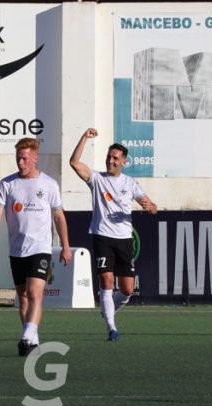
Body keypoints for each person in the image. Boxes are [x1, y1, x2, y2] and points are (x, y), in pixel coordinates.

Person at [69, 128, 158, 341]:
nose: (111, 161)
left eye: (115, 158)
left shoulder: (131, 183)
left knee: (127, 290)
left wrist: (150, 207)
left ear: (124, 162)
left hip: (124, 239)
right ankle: (111, 327)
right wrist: (84, 138)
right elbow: (74, 163)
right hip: (102, 237)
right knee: (107, 283)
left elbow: (153, 207)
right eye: (109, 157)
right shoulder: (97, 179)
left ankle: (108, 312)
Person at [0, 137, 72, 356]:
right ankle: (32, 337)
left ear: (35, 158)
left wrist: (65, 245)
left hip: (40, 248)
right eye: (18, 158)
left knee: (35, 293)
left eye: (24, 158)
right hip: (17, 250)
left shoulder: (49, 184)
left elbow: (59, 216)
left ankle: (25, 337)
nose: (21, 163)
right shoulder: (7, 184)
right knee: (23, 296)